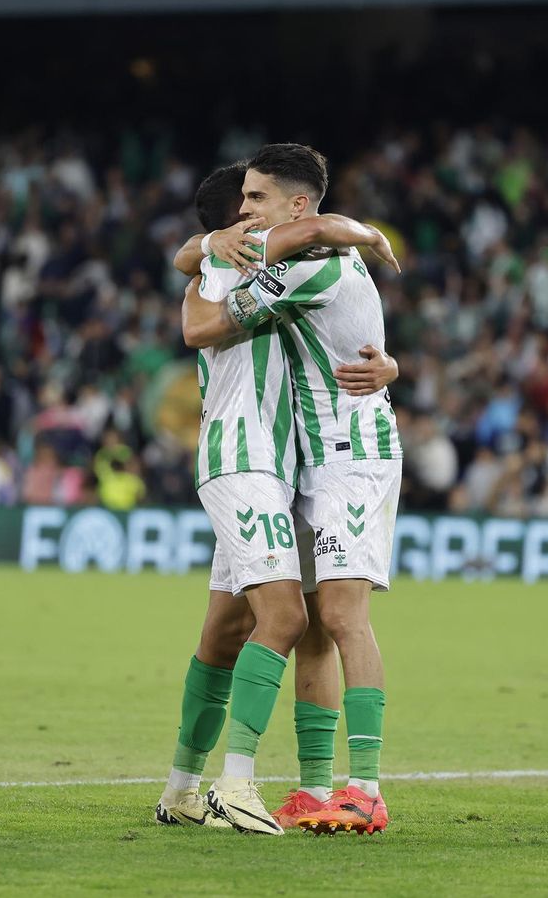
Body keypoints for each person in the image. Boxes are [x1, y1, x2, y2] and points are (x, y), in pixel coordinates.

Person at [153, 159, 399, 834]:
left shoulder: (290, 269)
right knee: (292, 620)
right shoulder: (240, 269)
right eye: (245, 203)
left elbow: (313, 252)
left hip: (308, 463)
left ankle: (185, 789)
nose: (253, 211)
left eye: (260, 198)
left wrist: (389, 364)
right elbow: (200, 322)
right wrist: (364, 232)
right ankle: (238, 783)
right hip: (250, 461)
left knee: (238, 631)